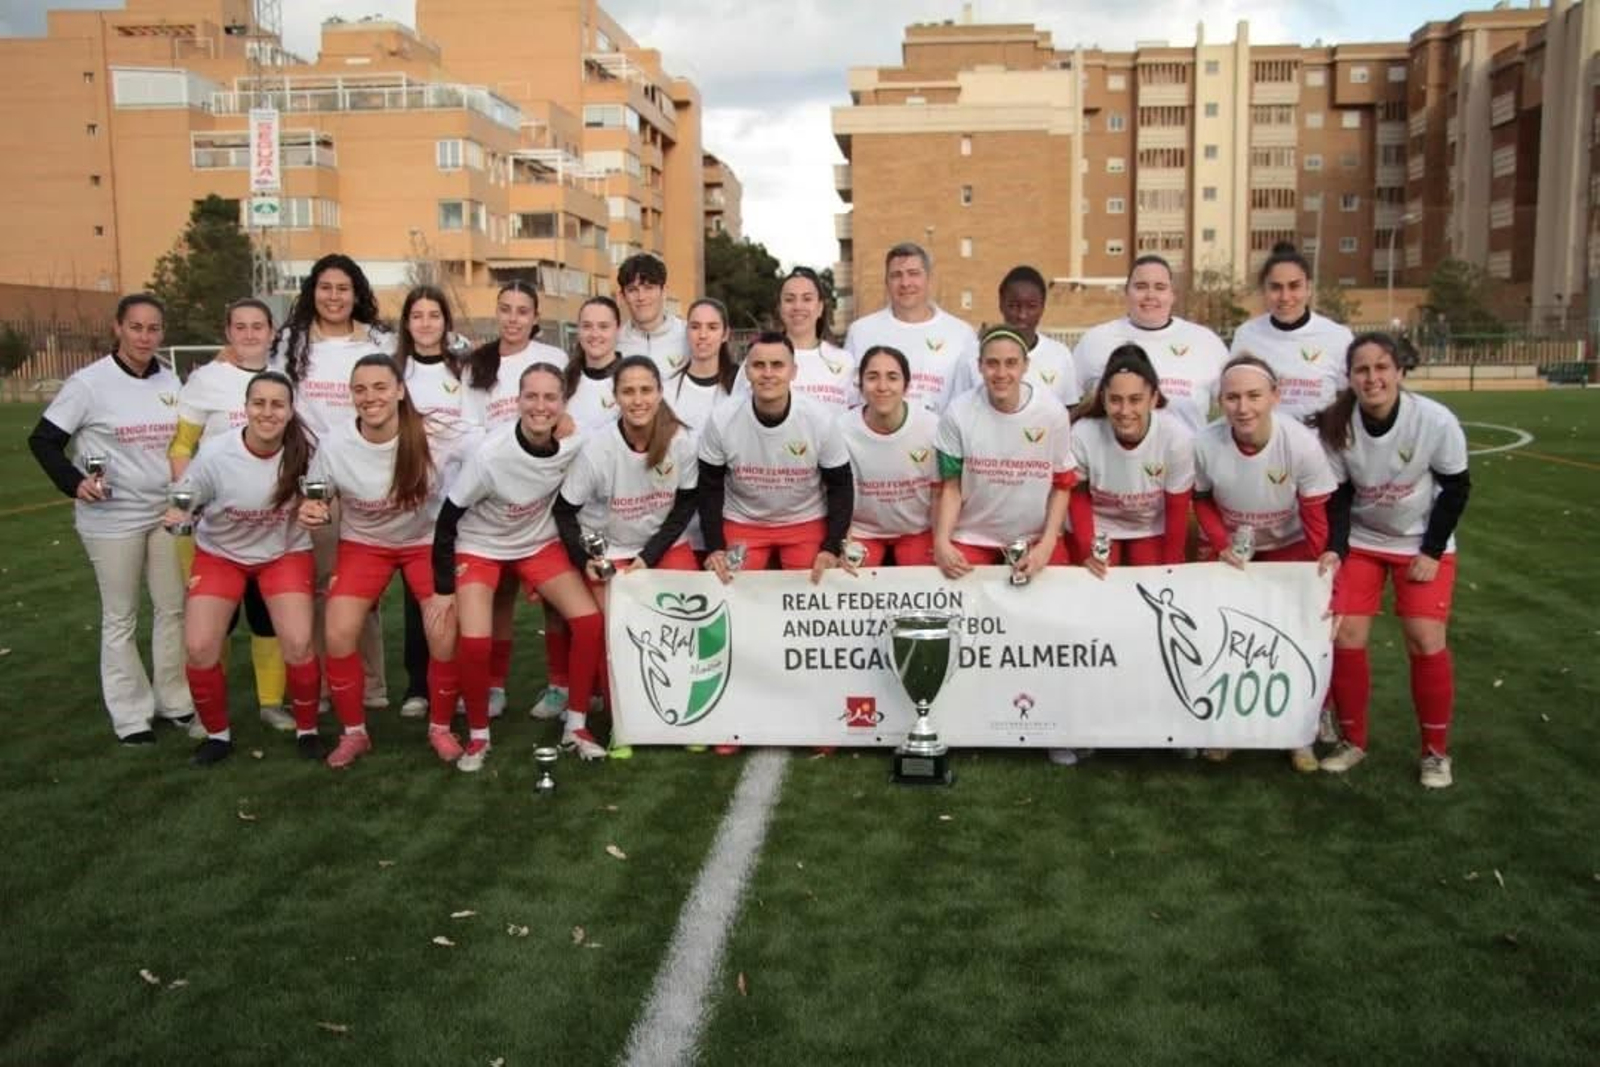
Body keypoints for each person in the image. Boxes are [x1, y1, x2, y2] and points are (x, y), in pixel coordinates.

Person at [27, 293, 197, 744]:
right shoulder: (89, 383)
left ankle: (175, 700)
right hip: (111, 518)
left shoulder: (170, 379)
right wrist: (74, 482)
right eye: (136, 327)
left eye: (153, 328)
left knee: (173, 608)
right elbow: (43, 440)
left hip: (164, 512)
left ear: (162, 333)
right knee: (121, 615)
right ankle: (130, 714)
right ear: (118, 328)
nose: (145, 336)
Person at [297, 355, 471, 769]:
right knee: (338, 631)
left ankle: (441, 728)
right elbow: (317, 497)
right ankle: (354, 733)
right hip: (364, 544)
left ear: (399, 390)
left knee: (443, 631)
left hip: (423, 541)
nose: (370, 397)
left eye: (379, 387)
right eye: (360, 389)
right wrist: (311, 510)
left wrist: (560, 426)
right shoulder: (336, 444)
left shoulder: (434, 431)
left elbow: (497, 441)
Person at [432, 362, 609, 765]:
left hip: (536, 543)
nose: (540, 407)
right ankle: (479, 736)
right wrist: (444, 591)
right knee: (475, 641)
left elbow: (620, 429)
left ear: (564, 404)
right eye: (531, 396)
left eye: (550, 398)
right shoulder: (490, 456)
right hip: (480, 545)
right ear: (517, 401)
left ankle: (576, 725)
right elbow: (446, 522)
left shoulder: (576, 439)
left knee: (588, 621)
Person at [1317, 334, 1470, 789]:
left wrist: (1431, 550)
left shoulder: (1434, 421)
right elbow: (1339, 495)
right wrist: (1339, 550)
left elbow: (1456, 487)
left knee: (1425, 639)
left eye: (1382, 367)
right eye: (1362, 370)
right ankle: (1353, 741)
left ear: (1399, 371)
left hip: (1420, 541)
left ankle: (1435, 753)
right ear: (1350, 377)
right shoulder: (1338, 423)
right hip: (1364, 539)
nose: (1373, 378)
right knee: (1346, 634)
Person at [1192, 354, 1338, 772]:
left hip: (1291, 547)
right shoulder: (1205, 443)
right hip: (1236, 553)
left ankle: (1300, 735)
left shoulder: (1301, 444)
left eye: (1254, 396)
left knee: (1295, 639)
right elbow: (1200, 500)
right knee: (1229, 639)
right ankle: (1229, 731)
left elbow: (1315, 516)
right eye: (1232, 397)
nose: (1243, 407)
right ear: (1220, 401)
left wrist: (1320, 584)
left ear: (1275, 396)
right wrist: (1222, 544)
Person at [171, 371, 322, 765]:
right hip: (221, 554)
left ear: (290, 412)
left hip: (283, 553)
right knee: (200, 646)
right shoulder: (218, 451)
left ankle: (308, 730)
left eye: (277, 405)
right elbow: (188, 492)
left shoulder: (305, 449)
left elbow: (325, 491)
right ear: (246, 408)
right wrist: (180, 506)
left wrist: (318, 507)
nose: (267, 413)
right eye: (259, 403)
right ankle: (217, 735)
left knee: (299, 642)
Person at [277, 254, 394, 712]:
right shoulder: (291, 343)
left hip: (365, 475)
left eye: (342, 288)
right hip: (314, 480)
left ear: (356, 292)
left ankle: (373, 684)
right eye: (325, 287)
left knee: (364, 585)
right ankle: (327, 685)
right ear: (312, 292)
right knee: (324, 587)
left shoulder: (378, 340)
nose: (333, 296)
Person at [167, 297, 289, 733]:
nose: (251, 334)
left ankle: (271, 702)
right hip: (213, 521)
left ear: (272, 332)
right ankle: (208, 713)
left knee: (266, 614)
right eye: (241, 327)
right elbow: (182, 446)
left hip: (273, 524)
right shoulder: (205, 380)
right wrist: (188, 501)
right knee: (213, 621)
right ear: (228, 333)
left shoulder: (286, 377)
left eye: (259, 326)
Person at [460, 280, 568, 719]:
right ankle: (493, 685)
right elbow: (470, 427)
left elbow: (565, 423)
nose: (513, 318)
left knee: (554, 597)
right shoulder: (477, 364)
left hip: (544, 493)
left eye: (523, 311)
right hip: (494, 494)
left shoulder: (556, 359)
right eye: (505, 309)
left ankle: (560, 685)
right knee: (499, 594)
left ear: (536, 317)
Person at [699, 333, 855, 583]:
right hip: (744, 521)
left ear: (794, 371)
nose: (768, 373)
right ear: (747, 371)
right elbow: (709, 487)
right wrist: (715, 547)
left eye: (778, 365)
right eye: (759, 365)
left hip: (804, 520)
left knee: (814, 588)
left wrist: (831, 547)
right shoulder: (722, 419)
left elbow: (841, 486)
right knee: (731, 587)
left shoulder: (819, 419)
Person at [932, 327, 1076, 580]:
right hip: (972, 536)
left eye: (1011, 363)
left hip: (1034, 538)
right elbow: (950, 487)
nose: (1001, 373)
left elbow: (1062, 485)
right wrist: (942, 541)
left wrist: (1048, 543)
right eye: (992, 363)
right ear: (979, 366)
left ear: (1025, 365)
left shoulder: (1052, 414)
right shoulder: (958, 412)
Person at [392, 285, 473, 720]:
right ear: (407, 323)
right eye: (417, 315)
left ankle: (457, 683)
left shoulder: (464, 371)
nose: (425, 323)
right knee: (418, 597)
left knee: (457, 595)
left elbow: (473, 428)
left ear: (446, 322)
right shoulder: (395, 371)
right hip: (411, 501)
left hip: (458, 498)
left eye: (433, 315)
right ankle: (418, 685)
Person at [555, 355, 700, 588]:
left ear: (660, 393)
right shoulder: (596, 449)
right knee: (610, 622)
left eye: (646, 390)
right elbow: (563, 511)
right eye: (628, 391)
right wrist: (584, 560)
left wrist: (649, 556)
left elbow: (686, 504)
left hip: (664, 544)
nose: (638, 400)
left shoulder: (681, 441)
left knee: (689, 614)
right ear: (615, 397)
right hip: (612, 549)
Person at [1068, 344, 1195, 573]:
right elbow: (1078, 499)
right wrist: (1088, 552)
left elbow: (1177, 508)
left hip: (1149, 527)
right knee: (1098, 579)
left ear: (1154, 398)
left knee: (1151, 577)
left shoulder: (1176, 437)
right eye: (1115, 400)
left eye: (1135, 399)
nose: (1125, 411)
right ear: (1103, 399)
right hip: (1100, 524)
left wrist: (1171, 566)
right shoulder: (1083, 433)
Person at [1072, 255, 1229, 435]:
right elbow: (1070, 404)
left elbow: (1234, 403)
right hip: (1114, 459)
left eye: (1160, 287)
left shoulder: (1206, 342)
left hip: (1185, 459)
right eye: (1141, 287)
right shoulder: (1095, 340)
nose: (1150, 295)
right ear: (1127, 292)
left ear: (1172, 295)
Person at [836, 345, 941, 566]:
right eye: (873, 377)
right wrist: (840, 538)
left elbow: (941, 491)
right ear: (860, 384)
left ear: (907, 385)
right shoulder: (840, 429)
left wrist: (941, 539)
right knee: (849, 583)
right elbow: (833, 492)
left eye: (892, 377)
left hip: (917, 531)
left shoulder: (932, 426)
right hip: (862, 532)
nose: (882, 387)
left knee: (924, 586)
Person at [843, 242, 978, 412]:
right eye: (896, 275)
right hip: (879, 437)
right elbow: (850, 397)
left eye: (913, 274)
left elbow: (971, 399)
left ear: (928, 278)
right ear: (886, 282)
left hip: (940, 437)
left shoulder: (961, 333)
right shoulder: (861, 331)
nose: (905, 283)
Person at [1230, 242, 1354, 421]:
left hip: (1319, 444)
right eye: (1275, 287)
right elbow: (1234, 391)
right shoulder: (1247, 335)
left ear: (1308, 288)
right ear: (1264, 290)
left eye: (1294, 286)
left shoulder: (1338, 337)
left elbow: (1349, 397)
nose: (1285, 297)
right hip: (1265, 445)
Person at [948, 266, 1081, 409]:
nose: (1022, 315)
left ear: (1042, 307)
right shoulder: (972, 355)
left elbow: (1069, 412)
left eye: (1031, 306)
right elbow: (959, 410)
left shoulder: (1060, 355)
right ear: (1001, 304)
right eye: (1013, 305)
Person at [768, 266, 857, 411]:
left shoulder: (844, 361)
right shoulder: (760, 359)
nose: (798, 306)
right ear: (780, 308)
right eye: (789, 299)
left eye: (807, 299)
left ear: (820, 307)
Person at [616, 253, 688, 375]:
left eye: (648, 288)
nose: (641, 297)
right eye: (632, 290)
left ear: (664, 291)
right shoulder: (614, 343)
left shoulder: (688, 336)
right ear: (623, 296)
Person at [563, 296, 624, 431]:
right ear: (578, 330)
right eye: (587, 326)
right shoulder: (564, 381)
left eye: (603, 326)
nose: (595, 334)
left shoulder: (630, 380)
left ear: (618, 329)